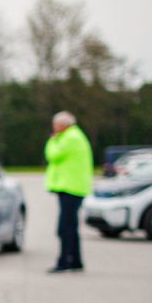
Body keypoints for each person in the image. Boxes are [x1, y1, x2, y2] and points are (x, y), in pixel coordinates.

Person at [43, 110, 93, 274]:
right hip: (73, 187)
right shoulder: (75, 136)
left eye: (55, 124)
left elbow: (52, 155)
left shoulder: (69, 138)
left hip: (70, 187)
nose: (54, 127)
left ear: (63, 125)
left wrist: (52, 140)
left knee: (64, 228)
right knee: (71, 226)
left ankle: (65, 262)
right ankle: (76, 261)